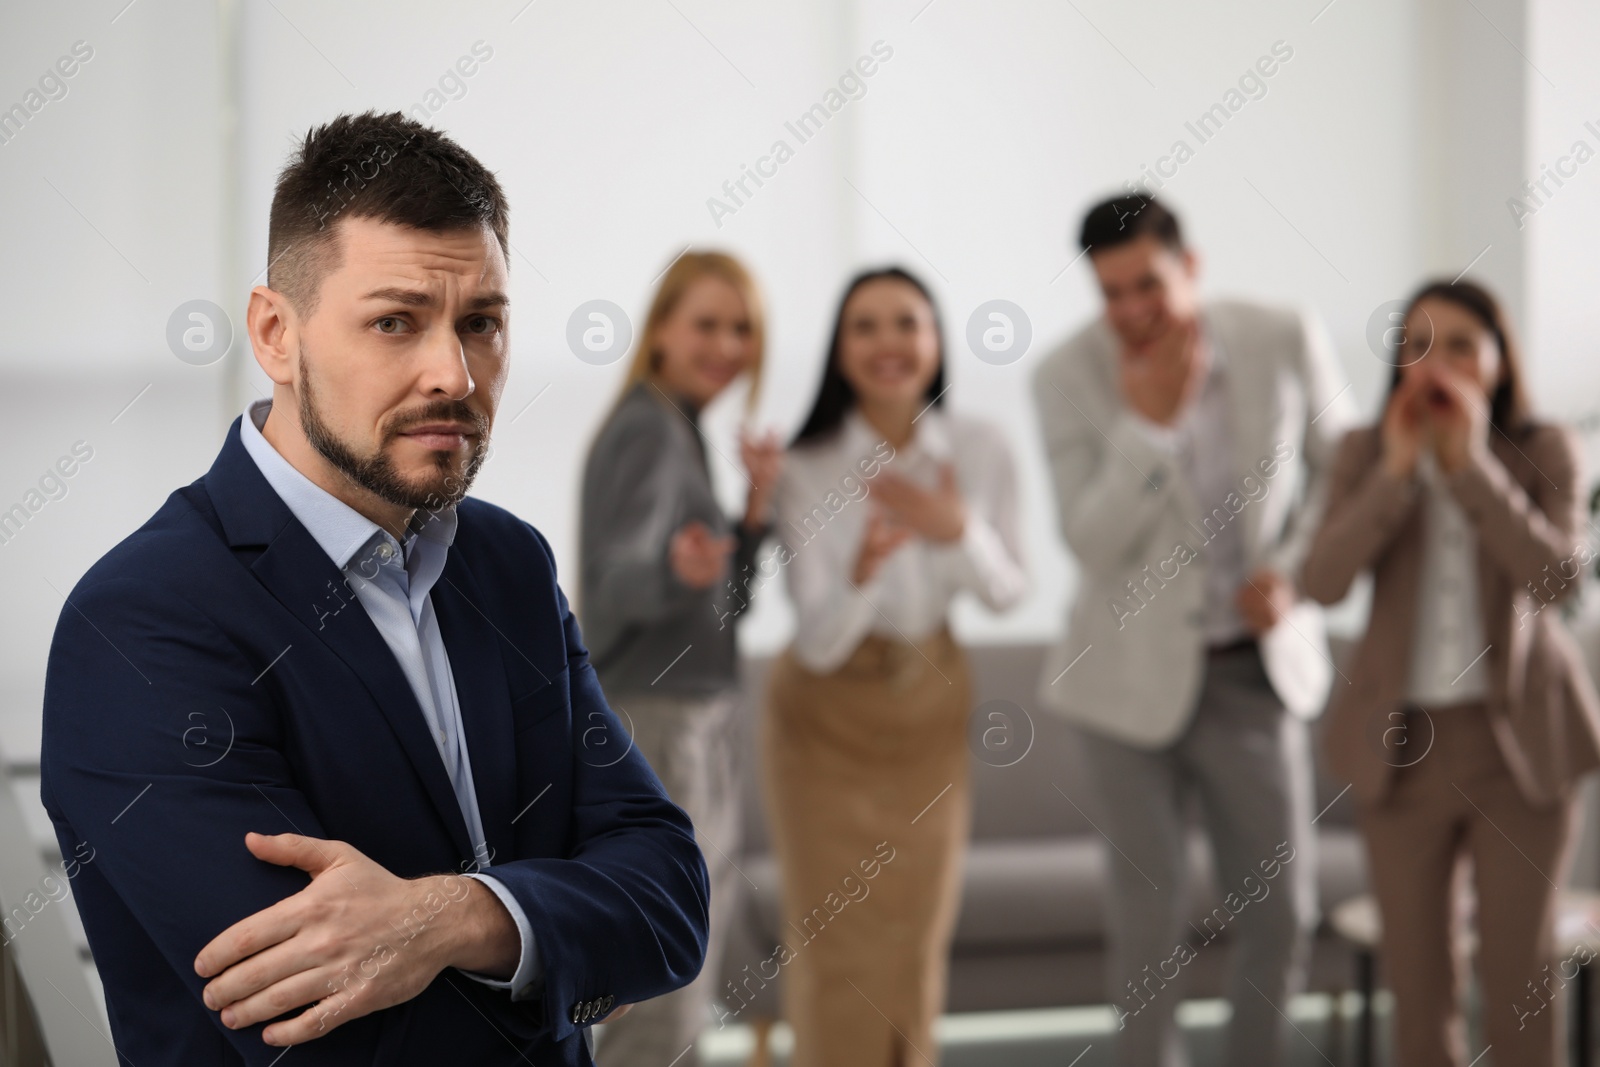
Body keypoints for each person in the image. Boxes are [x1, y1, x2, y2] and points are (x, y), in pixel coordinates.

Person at [39, 111, 708, 1066]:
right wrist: (552, 942)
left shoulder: (506, 566)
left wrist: (446, 917)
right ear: (276, 333)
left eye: (481, 322)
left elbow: (670, 896)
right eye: (396, 321)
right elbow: (330, 1035)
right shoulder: (143, 621)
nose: (454, 372)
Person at [1032, 195, 1355, 1066]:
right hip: (1121, 686)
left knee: (1282, 910)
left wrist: (1289, 574)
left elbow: (1344, 473)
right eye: (1111, 294)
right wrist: (1151, 425)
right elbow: (1087, 539)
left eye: (1148, 284)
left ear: (1191, 266)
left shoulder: (1281, 335)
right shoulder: (1064, 377)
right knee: (1147, 921)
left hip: (1252, 671)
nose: (1132, 312)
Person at [1301, 280, 1600, 1067]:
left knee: (1520, 979)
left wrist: (1469, 469)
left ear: (1501, 360)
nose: (1438, 361)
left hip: (1521, 746)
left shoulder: (1545, 448)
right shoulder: (1364, 451)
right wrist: (1398, 475)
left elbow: (1558, 582)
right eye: (1418, 342)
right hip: (1401, 749)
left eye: (1463, 343)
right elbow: (1322, 581)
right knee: (1420, 989)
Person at [762, 266, 1026, 1067]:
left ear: (936, 341)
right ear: (839, 350)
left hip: (931, 703)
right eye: (865, 326)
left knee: (918, 935)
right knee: (834, 940)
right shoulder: (803, 464)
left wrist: (957, 530)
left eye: (906, 323)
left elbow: (1011, 591)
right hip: (824, 717)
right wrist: (864, 572)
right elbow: (816, 641)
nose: (888, 343)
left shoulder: (981, 448)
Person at [580, 250, 779, 1067]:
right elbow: (608, 585)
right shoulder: (648, 426)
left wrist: (752, 519)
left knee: (683, 961)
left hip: (693, 712)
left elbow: (726, 610)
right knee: (665, 973)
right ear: (661, 329)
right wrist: (675, 570)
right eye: (706, 323)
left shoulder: (680, 427)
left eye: (742, 328)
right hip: (659, 720)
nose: (726, 344)